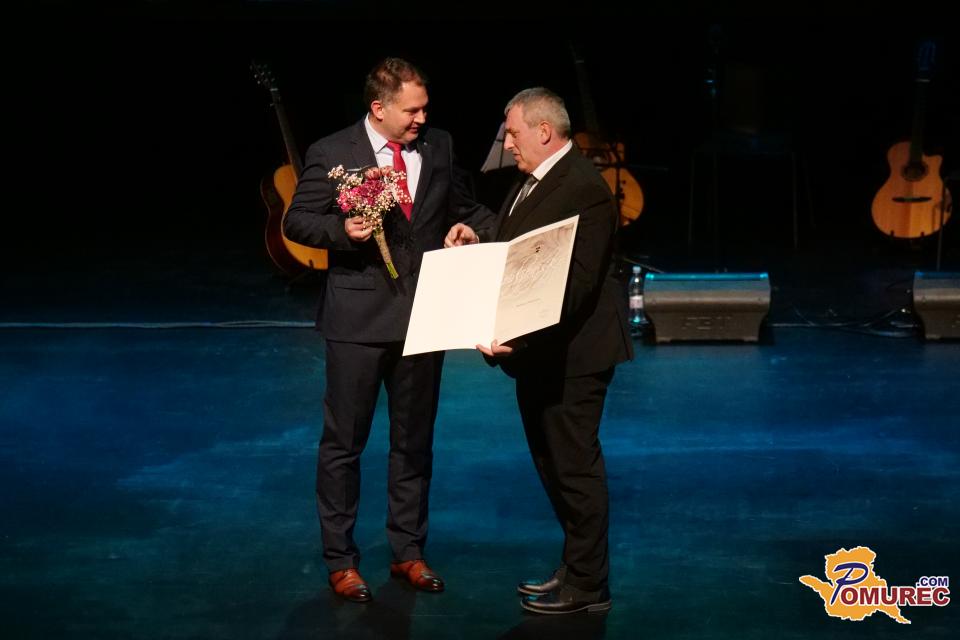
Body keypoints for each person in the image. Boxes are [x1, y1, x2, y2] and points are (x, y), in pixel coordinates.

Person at [283, 57, 495, 603]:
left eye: (425, 108)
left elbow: (464, 207)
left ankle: (408, 551)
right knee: (344, 445)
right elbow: (297, 220)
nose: (422, 118)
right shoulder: (333, 151)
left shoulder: (439, 146)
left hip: (424, 316)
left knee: (414, 443)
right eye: (412, 110)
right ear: (378, 108)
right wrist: (344, 230)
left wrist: (473, 228)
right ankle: (341, 559)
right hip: (357, 321)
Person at [465, 87, 633, 614]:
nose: (507, 143)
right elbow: (519, 245)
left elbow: (574, 286)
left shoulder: (583, 187)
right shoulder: (534, 181)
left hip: (574, 357)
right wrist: (478, 238)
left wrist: (516, 334)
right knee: (551, 464)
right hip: (540, 357)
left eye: (513, 133)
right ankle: (576, 566)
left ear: (544, 131)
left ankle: (589, 585)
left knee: (575, 469)